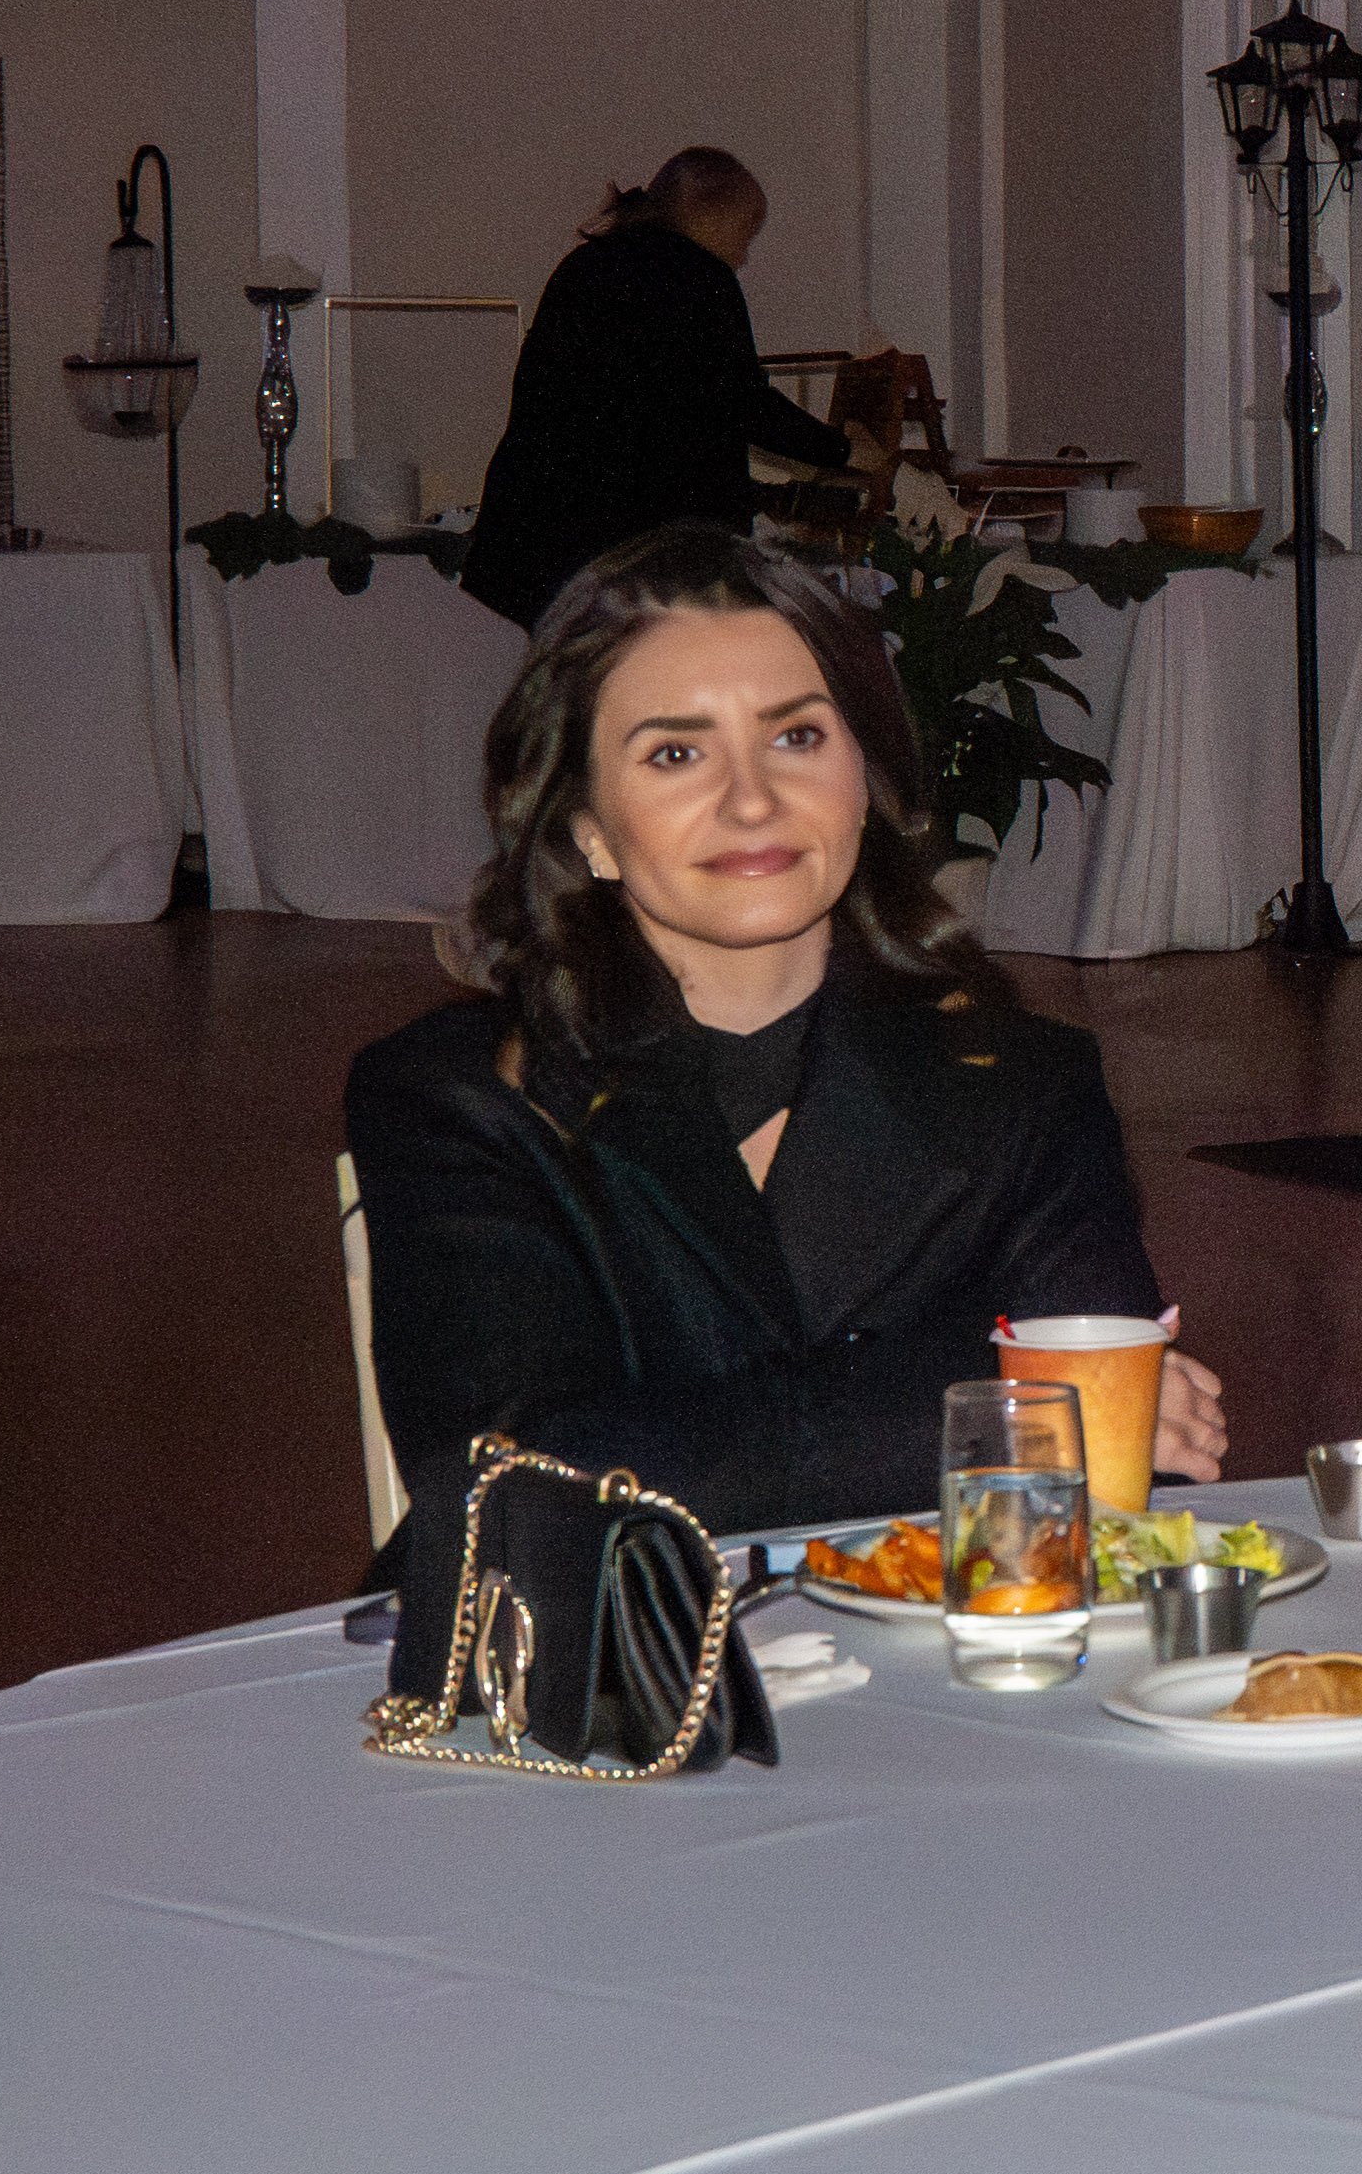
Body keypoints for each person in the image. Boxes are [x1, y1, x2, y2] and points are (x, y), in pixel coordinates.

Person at [345, 524, 1225, 1560]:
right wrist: (977, 1410)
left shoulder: (1020, 1082)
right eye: (676, 753)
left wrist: (1010, 1411)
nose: (752, 797)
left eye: (797, 736)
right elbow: (513, 1484)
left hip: (949, 1665)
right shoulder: (463, 1093)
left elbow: (1104, 1474)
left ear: (864, 777)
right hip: (588, 1689)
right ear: (586, 826)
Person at [459, 150, 859, 628]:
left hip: (528, 542)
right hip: (629, 563)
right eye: (746, 236)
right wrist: (844, 451)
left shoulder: (583, 267)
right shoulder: (699, 278)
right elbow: (742, 404)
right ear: (717, 219)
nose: (744, 256)